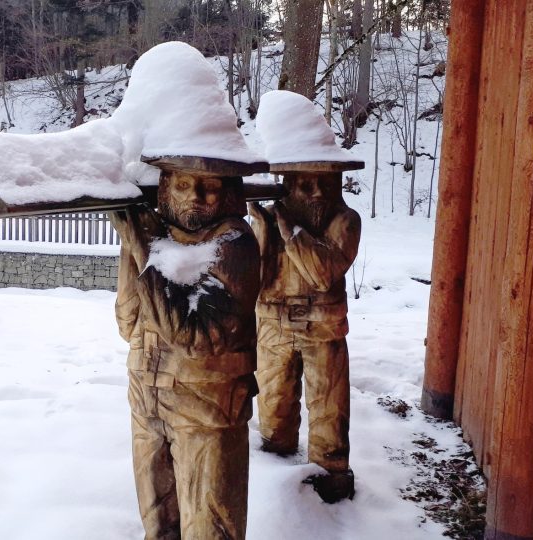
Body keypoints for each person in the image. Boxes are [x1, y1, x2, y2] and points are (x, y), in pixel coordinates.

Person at [112, 157, 260, 539]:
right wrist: (132, 250)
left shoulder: (233, 243)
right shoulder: (154, 235)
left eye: (208, 186)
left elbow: (194, 336)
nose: (194, 197)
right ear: (165, 188)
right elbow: (127, 322)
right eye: (182, 185)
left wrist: (141, 248)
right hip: (146, 393)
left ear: (226, 191)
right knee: (157, 522)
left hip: (205, 404)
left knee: (208, 524)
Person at [248, 170, 361, 503]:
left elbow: (322, 274)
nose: (315, 192)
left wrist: (288, 230)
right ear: (286, 184)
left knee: (329, 404)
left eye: (325, 183)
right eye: (305, 183)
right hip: (273, 323)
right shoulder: (267, 219)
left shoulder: (345, 221)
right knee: (272, 403)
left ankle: (331, 474)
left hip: (322, 326)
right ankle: (275, 471)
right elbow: (254, 278)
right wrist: (262, 229)